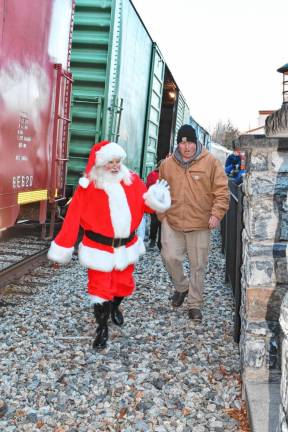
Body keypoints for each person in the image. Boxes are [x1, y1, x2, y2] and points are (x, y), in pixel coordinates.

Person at [47, 141, 171, 349]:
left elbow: (146, 206)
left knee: (123, 285)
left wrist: (156, 196)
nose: (115, 166)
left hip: (126, 247)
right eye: (110, 162)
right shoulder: (87, 187)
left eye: (117, 162)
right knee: (99, 289)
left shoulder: (132, 181)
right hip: (98, 249)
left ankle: (115, 307)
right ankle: (102, 327)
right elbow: (72, 218)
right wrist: (63, 246)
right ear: (100, 164)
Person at [158, 124, 229, 322]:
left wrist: (216, 214)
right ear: (178, 145)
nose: (187, 147)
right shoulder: (167, 165)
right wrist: (161, 215)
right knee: (169, 257)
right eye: (182, 143)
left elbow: (222, 192)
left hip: (200, 223)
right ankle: (182, 287)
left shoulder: (211, 163)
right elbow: (159, 191)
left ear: (196, 142)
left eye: (190, 142)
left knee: (198, 266)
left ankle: (194, 304)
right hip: (172, 221)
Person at [146, 161, 162, 249]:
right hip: (154, 203)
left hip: (164, 204)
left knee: (162, 223)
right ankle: (152, 240)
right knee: (155, 222)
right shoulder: (152, 175)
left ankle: (160, 243)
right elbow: (148, 187)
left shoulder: (170, 175)